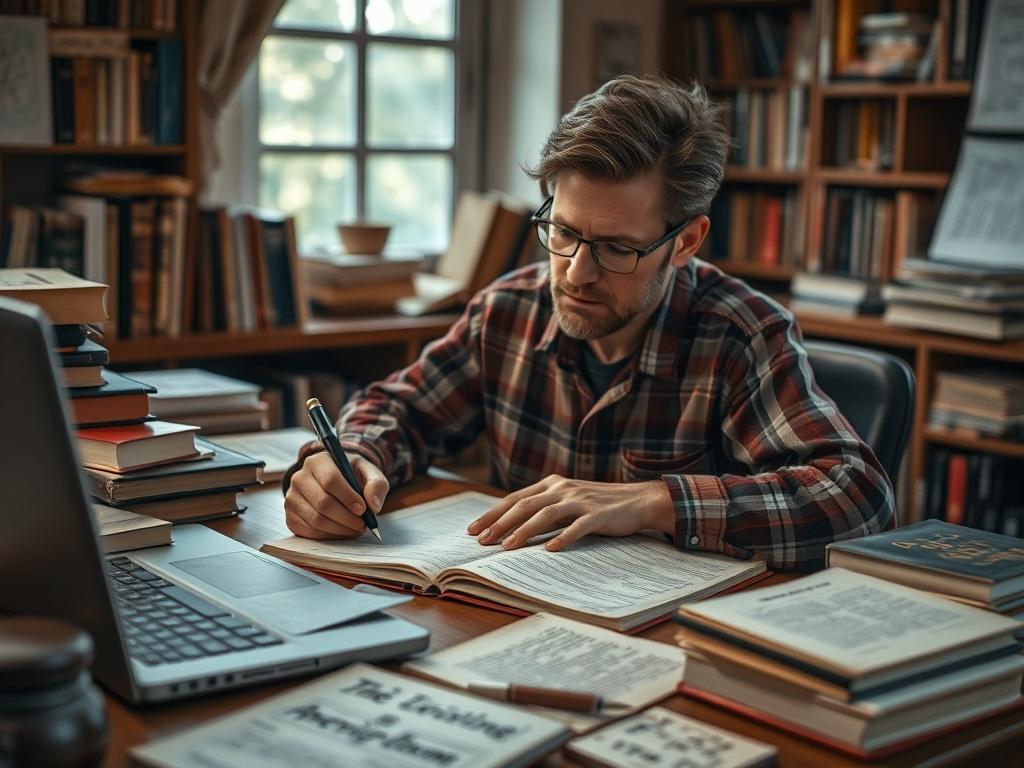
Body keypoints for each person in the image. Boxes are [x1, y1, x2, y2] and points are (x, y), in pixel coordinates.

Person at [282, 75, 894, 572]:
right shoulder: (508, 312)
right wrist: (349, 463)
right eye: (565, 232)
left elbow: (859, 495)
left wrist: (654, 501)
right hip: (517, 618)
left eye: (618, 248)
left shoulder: (742, 335)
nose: (576, 275)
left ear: (686, 242)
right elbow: (400, 410)